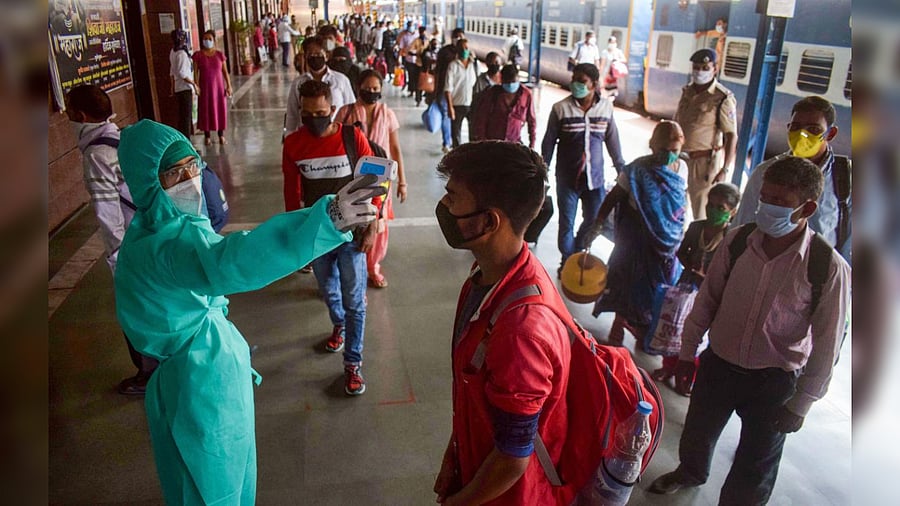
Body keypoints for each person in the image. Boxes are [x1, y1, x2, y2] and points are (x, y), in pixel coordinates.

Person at [114, 119, 383, 504]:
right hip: (201, 382)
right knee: (216, 485)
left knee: (210, 476)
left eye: (193, 166)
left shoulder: (151, 231)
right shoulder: (168, 245)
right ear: (147, 183)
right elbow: (232, 261)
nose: (190, 180)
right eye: (174, 173)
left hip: (192, 376)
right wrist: (327, 220)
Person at [648, 156, 851, 504]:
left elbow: (827, 343)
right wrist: (686, 354)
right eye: (765, 198)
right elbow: (707, 301)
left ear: (807, 207)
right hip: (719, 365)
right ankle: (690, 471)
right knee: (697, 433)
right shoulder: (738, 241)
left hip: (774, 382)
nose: (767, 208)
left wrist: (801, 403)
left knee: (755, 464)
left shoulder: (826, 266)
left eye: (780, 202)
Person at [432, 141, 571, 505]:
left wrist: (457, 503)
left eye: (452, 197)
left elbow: (512, 457)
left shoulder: (521, 329)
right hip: (478, 466)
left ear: (490, 220)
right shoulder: (490, 276)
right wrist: (457, 452)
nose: (443, 206)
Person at [283, 80, 380, 395]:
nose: (316, 119)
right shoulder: (293, 145)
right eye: (309, 114)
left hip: (351, 235)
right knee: (328, 291)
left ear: (332, 109)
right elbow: (291, 193)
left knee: (355, 301)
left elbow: (376, 181)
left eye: (321, 112)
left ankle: (353, 364)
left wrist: (374, 224)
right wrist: (295, 239)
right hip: (317, 237)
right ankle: (338, 323)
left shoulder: (352, 138)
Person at [65, 85, 158, 395]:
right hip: (152, 232)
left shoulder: (96, 154)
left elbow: (108, 213)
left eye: (68, 110)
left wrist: (118, 261)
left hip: (132, 244)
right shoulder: (121, 137)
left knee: (134, 308)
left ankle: (149, 374)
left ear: (79, 115)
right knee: (158, 302)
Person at [586, 120, 688, 345]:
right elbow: (613, 198)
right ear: (652, 145)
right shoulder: (636, 170)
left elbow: (679, 203)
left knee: (657, 284)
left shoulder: (682, 168)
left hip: (666, 241)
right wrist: (598, 223)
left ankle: (643, 327)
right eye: (664, 150)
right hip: (636, 237)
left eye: (674, 151)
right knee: (627, 281)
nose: (669, 156)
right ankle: (619, 323)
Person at [733, 96, 851, 262]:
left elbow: (851, 239)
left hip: (816, 273)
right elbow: (742, 225)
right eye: (795, 127)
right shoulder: (765, 173)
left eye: (814, 129)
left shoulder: (845, 178)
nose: (802, 134)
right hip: (767, 266)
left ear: (830, 133)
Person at [652, 182, 741, 394]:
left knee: (698, 335)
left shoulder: (732, 238)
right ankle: (669, 368)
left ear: (733, 212)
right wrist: (690, 265)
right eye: (711, 205)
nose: (713, 210)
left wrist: (709, 274)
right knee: (675, 327)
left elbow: (732, 270)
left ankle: (687, 377)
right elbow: (681, 252)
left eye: (721, 208)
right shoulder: (696, 227)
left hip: (710, 292)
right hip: (686, 284)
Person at [541, 63, 626, 275]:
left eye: (582, 81)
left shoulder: (605, 108)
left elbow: (612, 140)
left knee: (594, 219)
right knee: (566, 223)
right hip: (568, 179)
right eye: (574, 79)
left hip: (595, 179)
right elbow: (548, 143)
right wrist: (542, 173)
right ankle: (567, 261)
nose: (575, 84)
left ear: (594, 85)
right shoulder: (560, 109)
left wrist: (621, 170)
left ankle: (578, 250)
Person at [335, 69, 408, 288]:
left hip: (381, 181)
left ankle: (372, 267)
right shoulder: (345, 113)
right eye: (368, 88)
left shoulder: (388, 114)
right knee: (353, 224)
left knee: (379, 226)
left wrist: (402, 181)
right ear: (359, 88)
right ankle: (351, 273)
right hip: (352, 177)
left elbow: (395, 148)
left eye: (376, 88)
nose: (372, 92)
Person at [674, 48, 737, 219]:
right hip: (678, 160)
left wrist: (724, 168)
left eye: (705, 67)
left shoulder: (722, 98)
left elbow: (731, 135)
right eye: (696, 67)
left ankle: (697, 245)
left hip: (702, 164)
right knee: (675, 208)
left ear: (715, 69)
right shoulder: (687, 91)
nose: (699, 71)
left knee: (700, 212)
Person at [285, 36, 355, 133]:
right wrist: (289, 137)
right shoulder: (298, 83)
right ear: (305, 57)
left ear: (326, 55)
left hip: (336, 135)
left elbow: (351, 109)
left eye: (318, 54)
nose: (315, 57)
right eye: (311, 55)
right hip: (307, 136)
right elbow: (292, 114)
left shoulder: (341, 80)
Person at [471, 64, 536, 148]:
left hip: (514, 144)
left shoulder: (526, 95)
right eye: (507, 82)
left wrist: (532, 144)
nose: (510, 85)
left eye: (513, 82)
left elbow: (532, 121)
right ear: (501, 80)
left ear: (518, 79)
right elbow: (481, 119)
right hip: (492, 145)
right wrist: (482, 143)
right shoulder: (492, 94)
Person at [192, 30, 232, 146]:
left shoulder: (220, 55)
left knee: (219, 110)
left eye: (209, 39)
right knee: (206, 111)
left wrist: (229, 85)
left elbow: (225, 72)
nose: (207, 41)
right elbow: (195, 72)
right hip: (205, 88)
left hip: (218, 88)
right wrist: (196, 85)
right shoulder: (198, 55)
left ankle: (221, 135)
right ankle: (207, 136)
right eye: (205, 39)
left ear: (214, 40)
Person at [444, 38, 477, 150]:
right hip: (457, 105)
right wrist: (450, 107)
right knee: (456, 134)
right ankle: (457, 156)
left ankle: (472, 155)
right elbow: (448, 88)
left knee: (474, 134)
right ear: (457, 50)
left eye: (466, 48)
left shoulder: (474, 65)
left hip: (472, 105)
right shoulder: (452, 66)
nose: (465, 50)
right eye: (462, 48)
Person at [169, 29, 197, 138]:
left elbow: (171, 71)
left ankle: (184, 140)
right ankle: (187, 143)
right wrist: (194, 84)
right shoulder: (181, 53)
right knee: (186, 118)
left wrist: (172, 87)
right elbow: (181, 73)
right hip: (185, 88)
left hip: (178, 88)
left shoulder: (173, 51)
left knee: (182, 117)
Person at [468, 51, 503, 126]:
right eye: (493, 63)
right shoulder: (480, 80)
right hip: (483, 119)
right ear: (487, 64)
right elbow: (475, 101)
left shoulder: (504, 80)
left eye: (497, 63)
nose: (495, 65)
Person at [397, 22, 421, 101]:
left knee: (416, 76)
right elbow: (401, 47)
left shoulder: (417, 35)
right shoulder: (404, 36)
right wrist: (399, 58)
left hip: (418, 60)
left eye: (412, 26)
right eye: (409, 26)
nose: (411, 28)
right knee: (410, 75)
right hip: (408, 59)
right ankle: (411, 90)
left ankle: (417, 91)